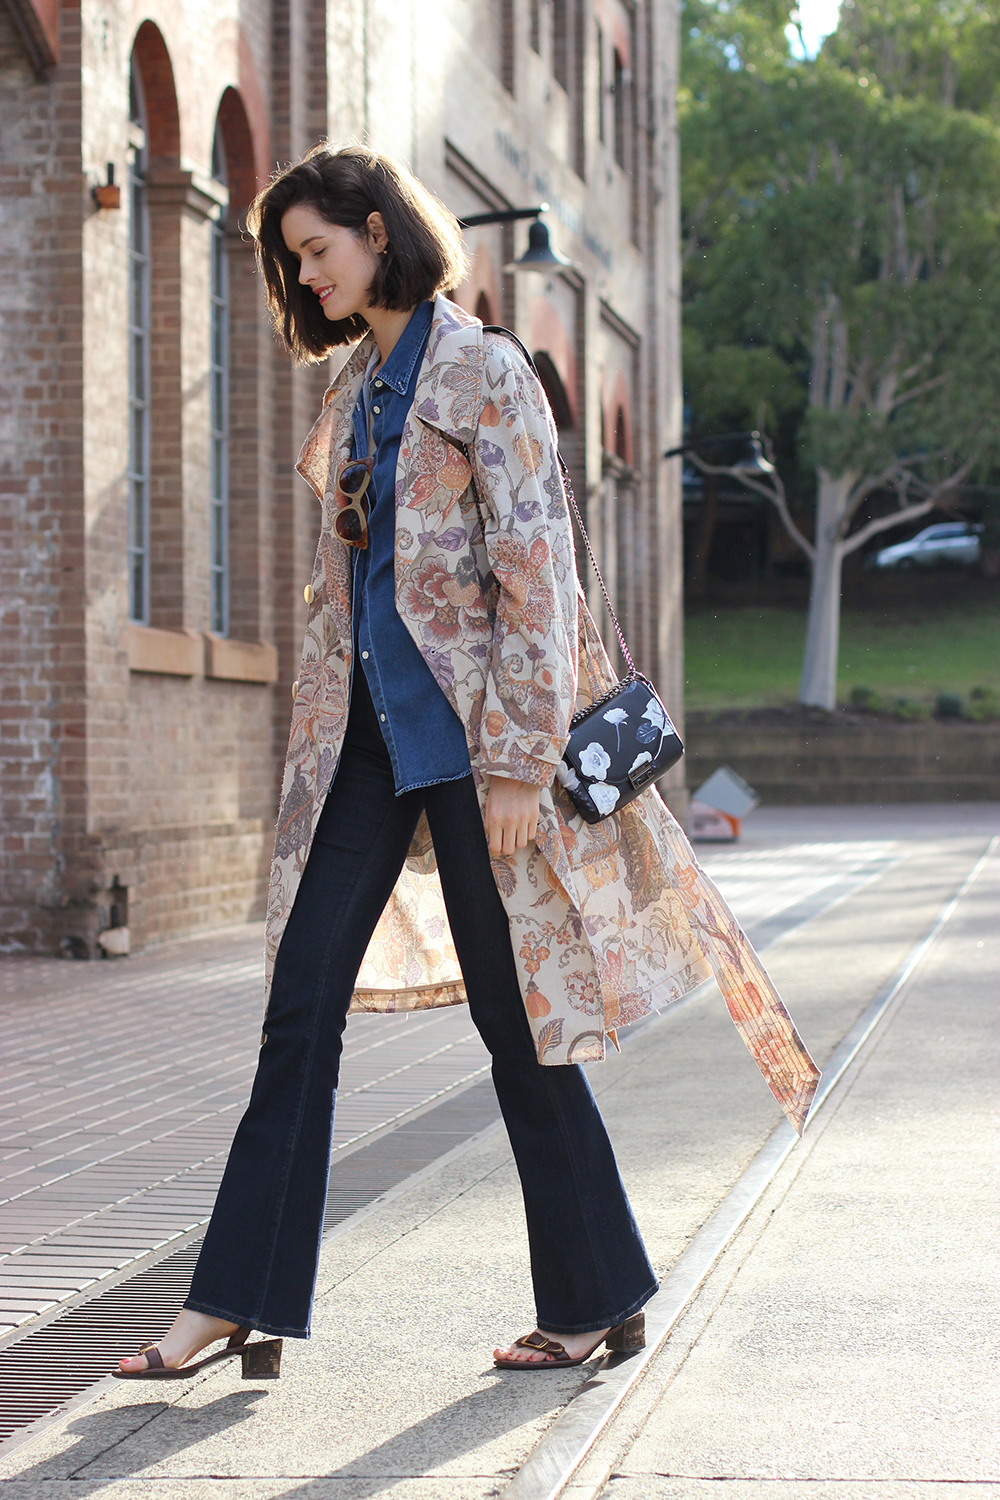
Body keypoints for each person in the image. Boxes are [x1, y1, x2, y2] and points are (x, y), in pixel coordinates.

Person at [117, 144, 819, 1381]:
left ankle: (596, 1296)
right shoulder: (351, 394)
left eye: (317, 249)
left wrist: (512, 762)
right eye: (292, 260)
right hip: (358, 751)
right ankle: (238, 1299)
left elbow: (538, 575)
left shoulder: (486, 371)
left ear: (377, 233)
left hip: (474, 748)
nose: (307, 275)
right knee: (299, 1010)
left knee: (518, 1022)